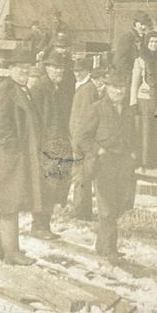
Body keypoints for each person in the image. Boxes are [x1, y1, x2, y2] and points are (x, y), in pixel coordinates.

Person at [0, 62, 47, 263]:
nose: (24, 73)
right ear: (10, 70)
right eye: (19, 69)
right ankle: (12, 252)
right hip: (8, 157)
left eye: (26, 70)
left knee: (3, 203)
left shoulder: (22, 90)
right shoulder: (2, 91)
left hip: (17, 155)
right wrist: (13, 148)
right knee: (9, 203)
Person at [76, 77, 139, 258]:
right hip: (104, 163)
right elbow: (82, 137)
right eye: (115, 87)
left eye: (122, 87)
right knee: (107, 206)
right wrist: (99, 150)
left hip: (123, 163)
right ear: (107, 88)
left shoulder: (127, 110)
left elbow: (132, 134)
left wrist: (133, 153)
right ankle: (109, 249)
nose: (119, 91)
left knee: (118, 205)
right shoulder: (96, 108)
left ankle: (103, 245)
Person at [36, 54, 76, 218]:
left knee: (58, 179)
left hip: (59, 140)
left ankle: (49, 216)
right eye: (55, 67)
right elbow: (37, 119)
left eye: (61, 68)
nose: (59, 71)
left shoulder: (59, 88)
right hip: (46, 143)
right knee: (46, 183)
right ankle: (40, 223)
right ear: (46, 68)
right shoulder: (40, 88)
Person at [67, 61, 104, 221]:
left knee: (82, 176)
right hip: (81, 139)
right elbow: (87, 117)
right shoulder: (88, 90)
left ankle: (81, 211)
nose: (77, 73)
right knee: (82, 176)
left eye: (80, 70)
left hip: (79, 137)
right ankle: (81, 211)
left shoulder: (85, 89)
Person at [130, 31, 157, 169]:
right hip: (145, 99)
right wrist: (133, 102)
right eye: (151, 42)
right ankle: (145, 160)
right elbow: (135, 83)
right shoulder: (140, 60)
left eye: (156, 42)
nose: (154, 44)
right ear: (146, 43)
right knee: (145, 130)